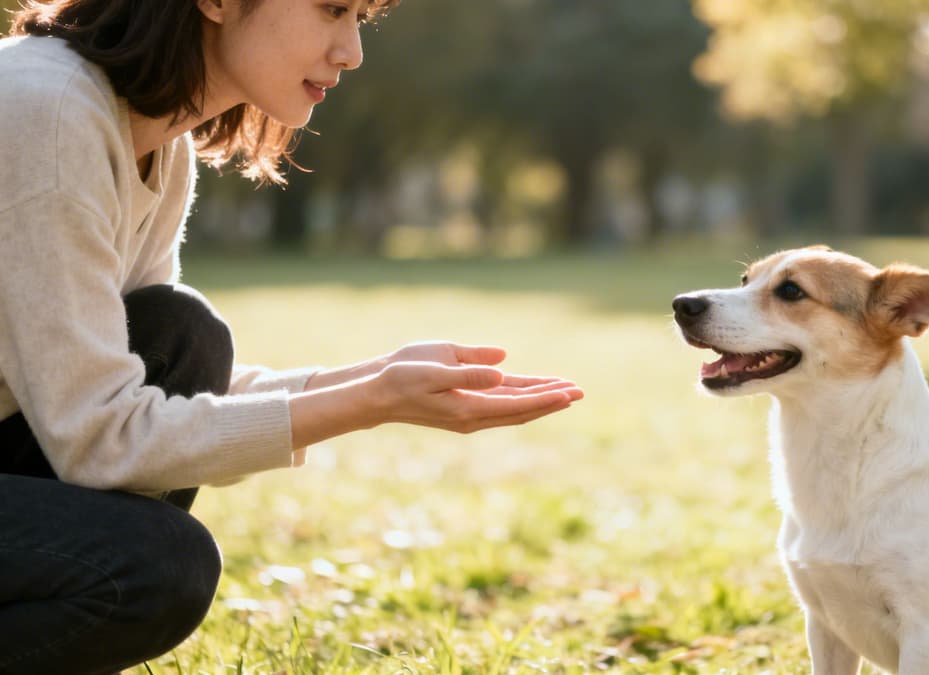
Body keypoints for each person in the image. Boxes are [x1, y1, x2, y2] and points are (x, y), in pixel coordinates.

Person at [0, 1, 585, 672]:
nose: (352, 51)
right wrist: (374, 401)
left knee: (185, 335)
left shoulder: (155, 142)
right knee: (159, 566)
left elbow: (116, 383)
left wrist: (376, 377)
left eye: (361, 17)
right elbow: (100, 437)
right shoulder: (43, 112)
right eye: (333, 9)